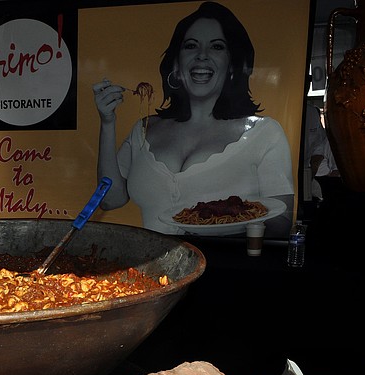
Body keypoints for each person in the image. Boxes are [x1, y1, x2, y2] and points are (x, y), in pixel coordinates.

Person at [94, 1, 294, 238]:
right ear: (177, 64)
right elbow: (109, 199)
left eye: (217, 47)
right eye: (191, 46)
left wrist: (222, 226)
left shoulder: (264, 133)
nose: (202, 56)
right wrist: (107, 123)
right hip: (154, 272)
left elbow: (281, 223)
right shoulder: (144, 128)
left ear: (232, 65)